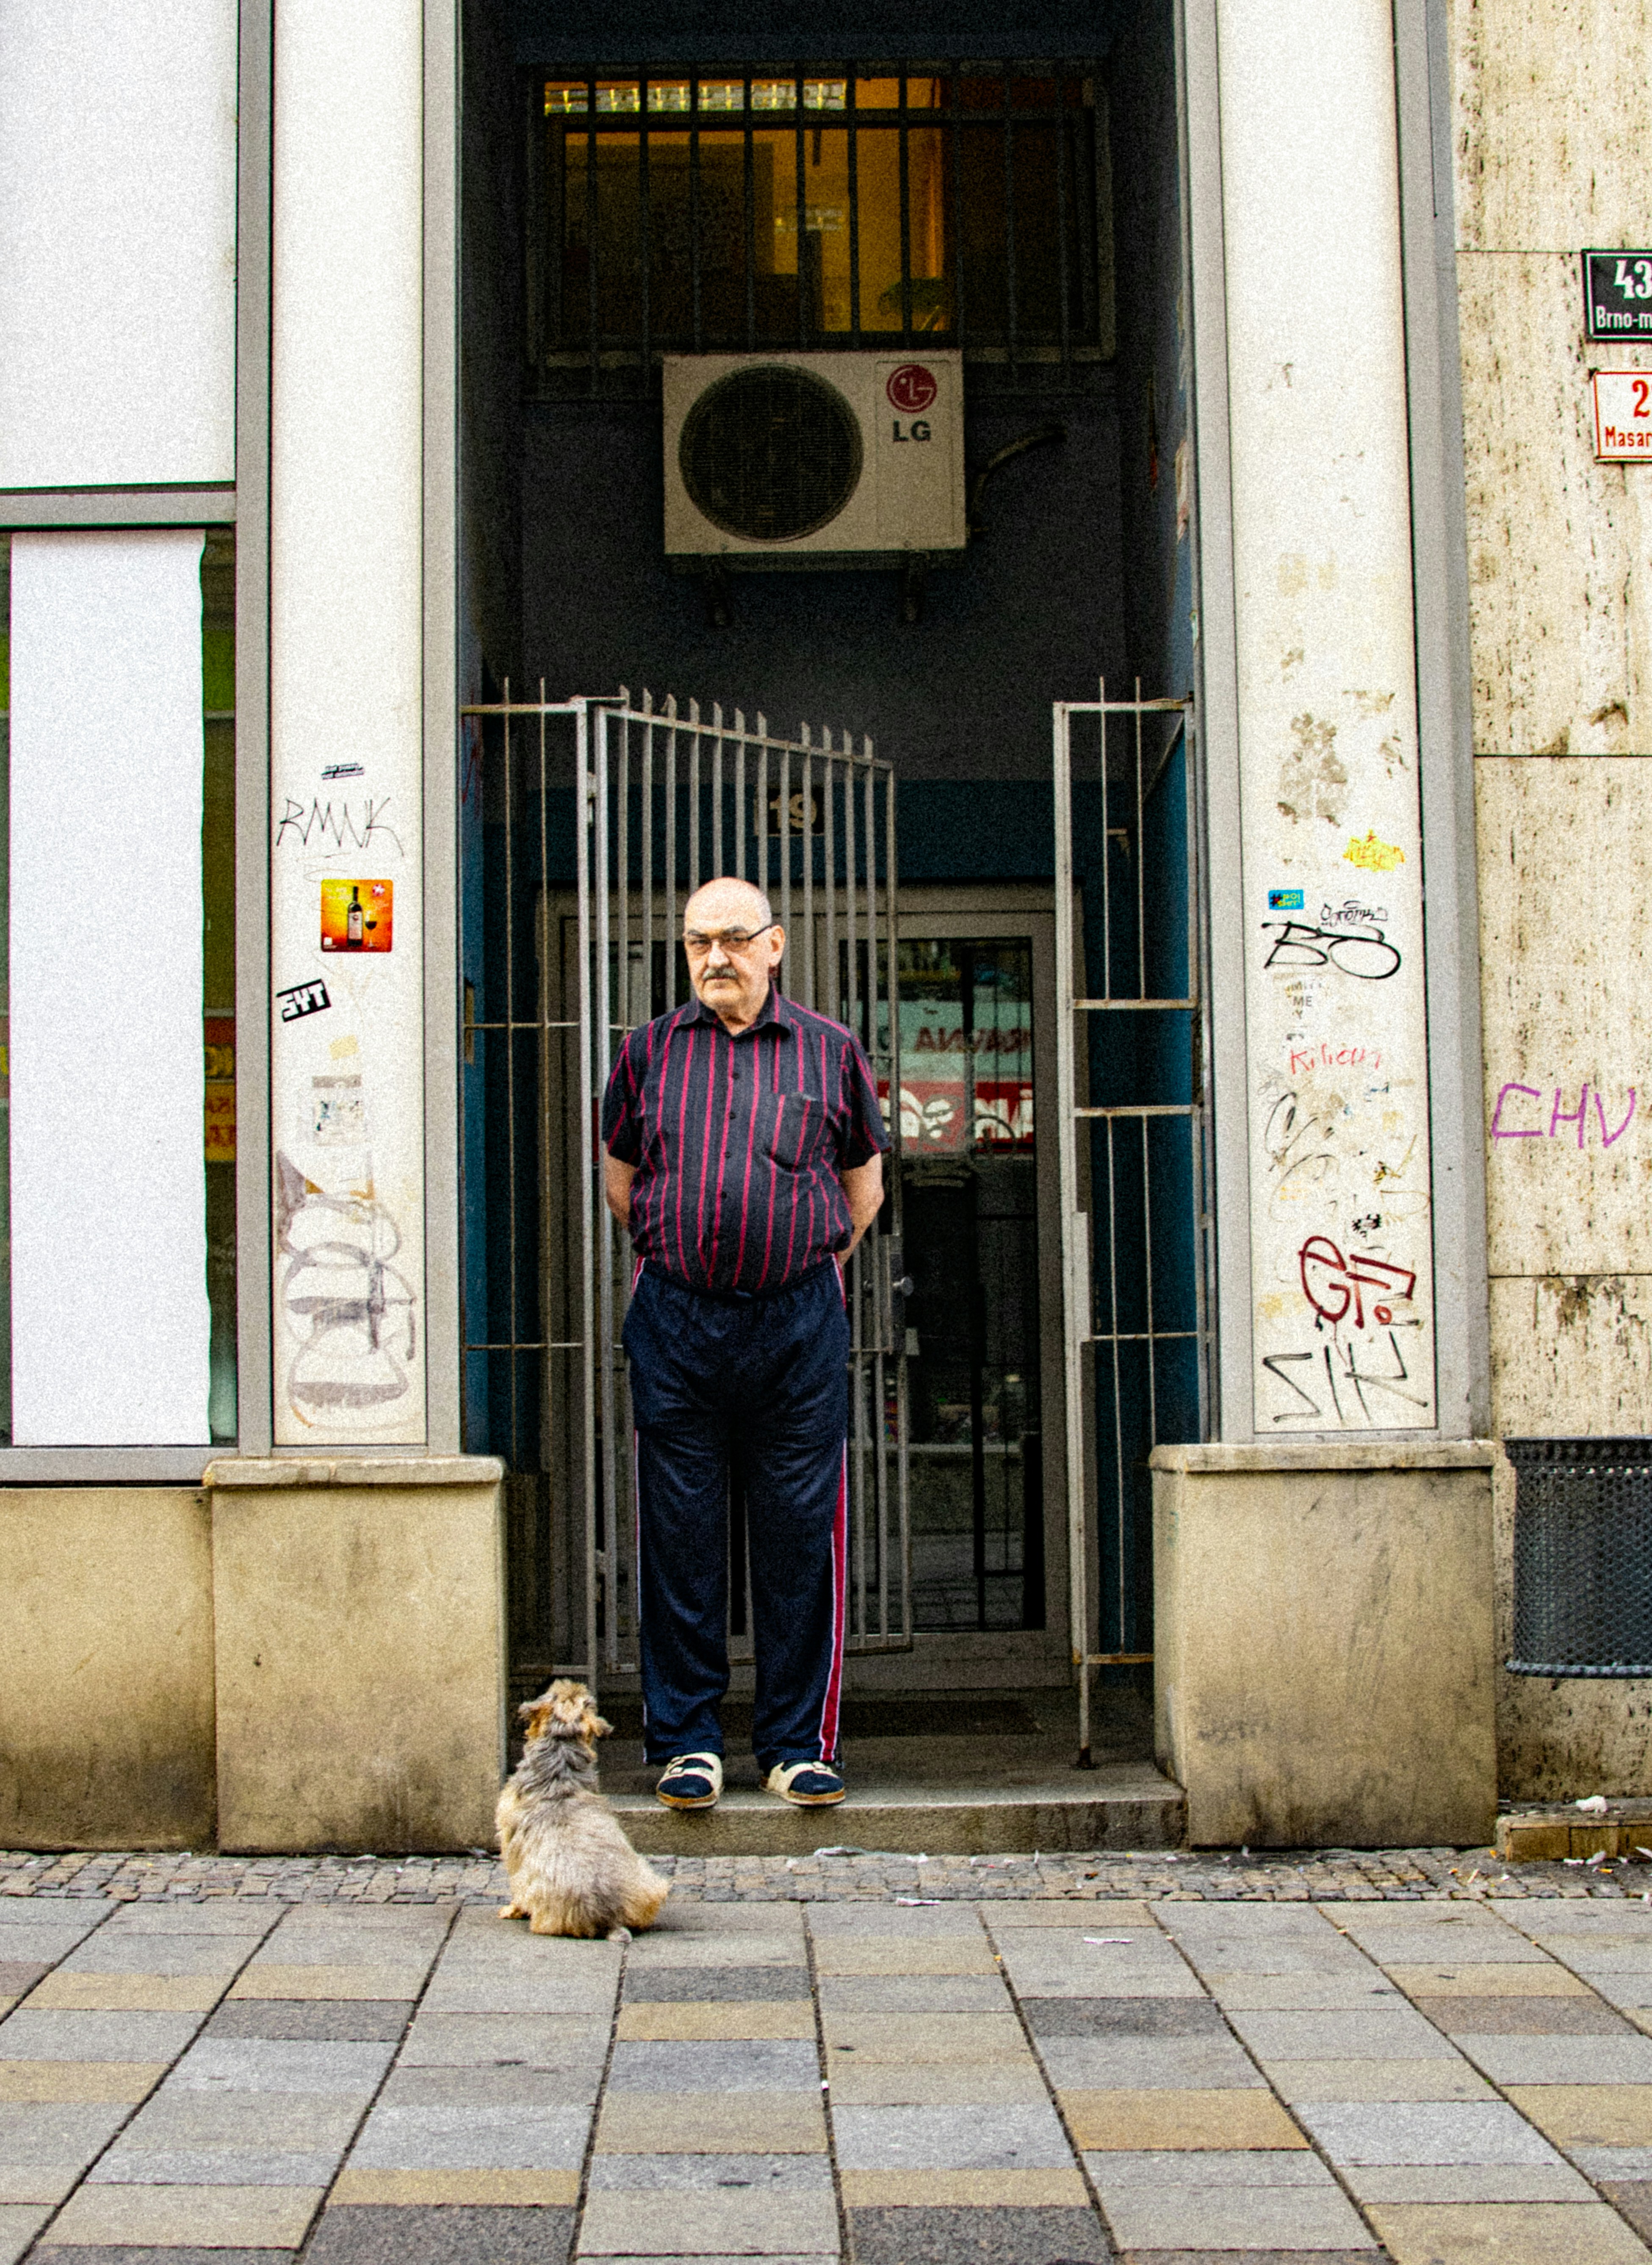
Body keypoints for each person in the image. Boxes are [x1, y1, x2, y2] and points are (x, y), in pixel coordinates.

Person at [600, 876, 888, 1809]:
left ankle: (795, 1746)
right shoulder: (646, 1053)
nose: (714, 957)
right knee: (679, 1537)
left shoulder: (831, 1050)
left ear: (775, 944)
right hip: (678, 1320)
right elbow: (621, 1180)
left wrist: (793, 1259)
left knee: (799, 1538)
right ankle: (688, 1743)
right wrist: (688, 1251)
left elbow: (864, 1187)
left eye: (732, 938)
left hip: (795, 1323)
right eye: (698, 942)